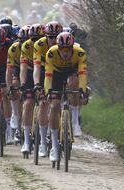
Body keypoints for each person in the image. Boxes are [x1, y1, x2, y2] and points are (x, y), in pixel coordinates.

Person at [44, 32, 88, 161]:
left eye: (67, 49)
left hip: (71, 71)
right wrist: (48, 91)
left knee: (74, 83)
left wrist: (82, 90)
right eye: (61, 48)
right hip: (56, 74)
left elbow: (83, 74)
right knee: (54, 106)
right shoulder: (51, 53)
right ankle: (54, 145)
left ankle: (75, 123)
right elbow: (48, 76)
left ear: (72, 47)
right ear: (58, 47)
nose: (64, 52)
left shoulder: (79, 53)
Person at [33, 21, 63, 157]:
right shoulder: (39, 45)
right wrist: (37, 85)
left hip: (58, 72)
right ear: (45, 36)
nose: (53, 40)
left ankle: (56, 142)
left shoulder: (64, 44)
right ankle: (43, 143)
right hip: (44, 71)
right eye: (50, 37)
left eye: (55, 37)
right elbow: (37, 68)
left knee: (56, 105)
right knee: (43, 104)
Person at [19, 23, 44, 153]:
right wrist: (22, 83)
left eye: (38, 39)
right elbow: (23, 68)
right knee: (28, 103)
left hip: (45, 71)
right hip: (29, 72)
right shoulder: (26, 46)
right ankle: (27, 142)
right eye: (33, 39)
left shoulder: (46, 45)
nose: (36, 42)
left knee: (45, 102)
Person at [6, 25, 30, 133]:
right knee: (15, 85)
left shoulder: (34, 47)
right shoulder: (14, 48)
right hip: (17, 67)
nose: (24, 44)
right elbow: (9, 70)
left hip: (32, 68)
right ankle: (15, 113)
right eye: (22, 41)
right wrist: (9, 87)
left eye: (27, 41)